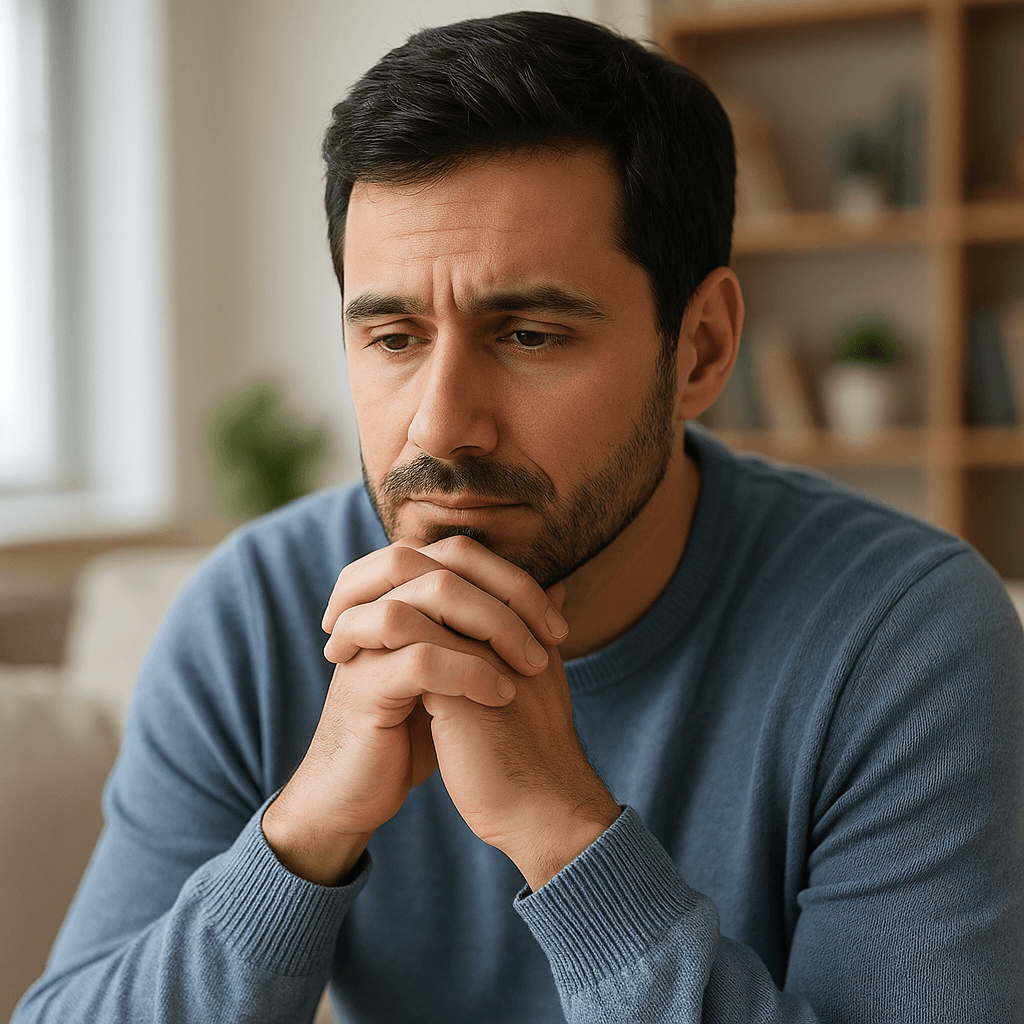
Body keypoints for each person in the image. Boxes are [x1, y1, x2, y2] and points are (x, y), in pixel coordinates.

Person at [14, 11, 1023, 1024]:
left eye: (529, 333)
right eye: (394, 337)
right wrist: (304, 833)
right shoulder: (253, 614)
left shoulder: (905, 638)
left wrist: (563, 831)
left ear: (703, 349)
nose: (442, 423)